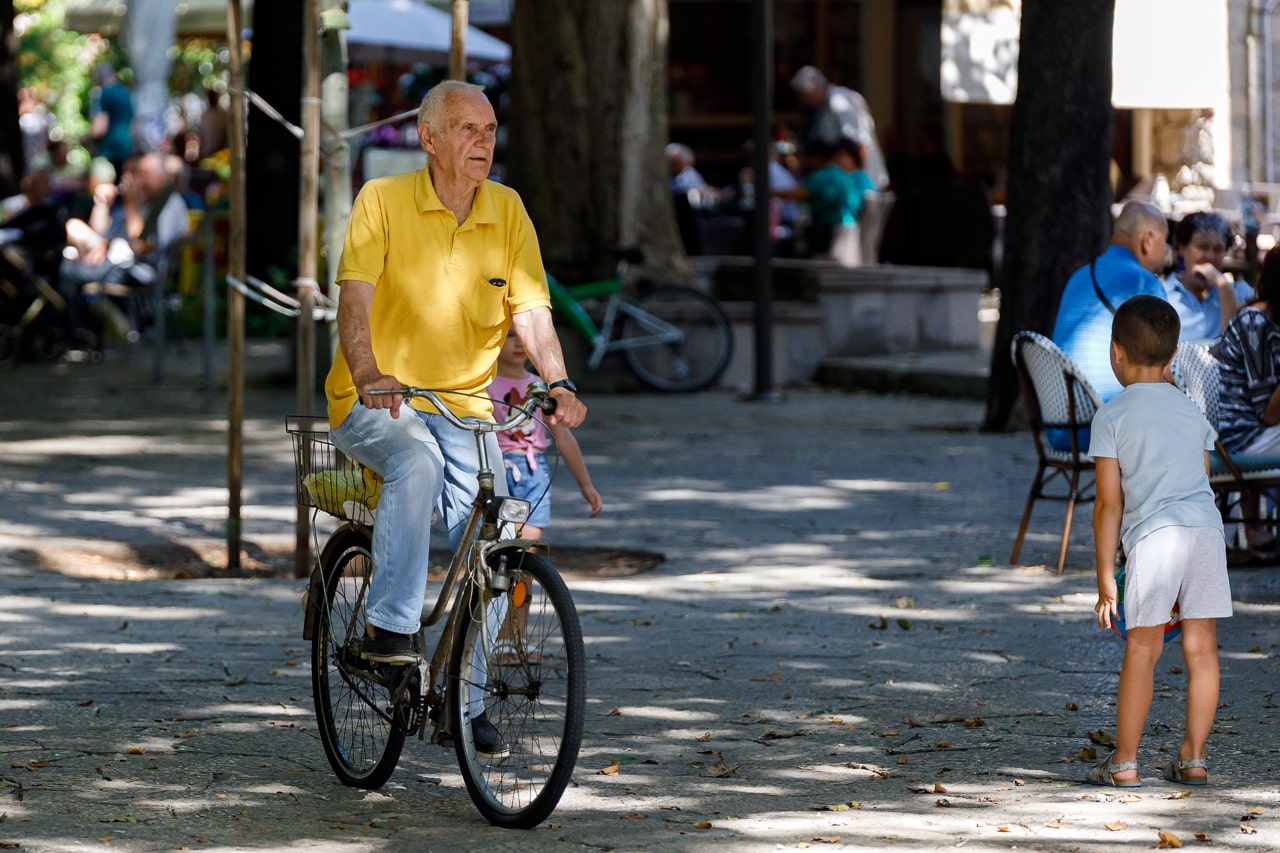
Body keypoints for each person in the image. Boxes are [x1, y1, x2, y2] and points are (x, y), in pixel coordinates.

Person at [324, 81, 586, 696]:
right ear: (429, 138)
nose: (483, 141)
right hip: (379, 398)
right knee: (414, 459)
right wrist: (367, 373)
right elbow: (354, 300)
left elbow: (532, 312)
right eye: (468, 128)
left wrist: (560, 381)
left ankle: (464, 703)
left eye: (490, 130)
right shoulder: (381, 200)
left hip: (466, 406)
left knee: (504, 535)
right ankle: (388, 629)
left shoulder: (508, 209)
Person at [1087, 294, 1231, 787]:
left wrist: (1107, 575)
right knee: (1201, 648)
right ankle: (1193, 758)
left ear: (1116, 351)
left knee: (1143, 650)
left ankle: (1125, 762)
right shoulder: (1192, 413)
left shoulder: (1111, 416)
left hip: (1154, 538)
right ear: (1173, 357)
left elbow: (1108, 504)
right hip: (1206, 534)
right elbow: (1204, 479)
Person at [1051, 200, 1169, 409]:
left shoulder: (1078, 277)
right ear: (1147, 241)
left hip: (1062, 422)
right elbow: (1167, 364)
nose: (1167, 250)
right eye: (1165, 240)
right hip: (1112, 424)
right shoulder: (1145, 283)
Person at [489, 328, 602, 542]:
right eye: (510, 335)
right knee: (492, 538)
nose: (520, 342)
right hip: (494, 467)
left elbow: (565, 439)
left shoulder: (541, 388)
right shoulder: (484, 386)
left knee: (528, 538)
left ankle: (523, 576)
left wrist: (586, 485)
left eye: (525, 335)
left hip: (533, 469)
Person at [1216, 249, 1280, 550]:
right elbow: (1268, 414)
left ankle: (1256, 531)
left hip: (1258, 431)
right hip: (1244, 437)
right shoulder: (1256, 323)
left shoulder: (1270, 321)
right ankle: (1255, 531)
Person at [777, 138, 875, 265]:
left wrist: (768, 192)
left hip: (833, 235)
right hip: (853, 233)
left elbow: (799, 194)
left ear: (815, 158)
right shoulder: (844, 175)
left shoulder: (824, 176)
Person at [790, 65, 889, 190]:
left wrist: (862, 183)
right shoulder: (821, 110)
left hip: (863, 182)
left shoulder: (840, 101)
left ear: (815, 90)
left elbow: (858, 143)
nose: (803, 101)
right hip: (847, 184)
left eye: (804, 96)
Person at [1163, 211, 1251, 342]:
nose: (1210, 256)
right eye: (1202, 247)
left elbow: (1243, 344)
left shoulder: (1241, 293)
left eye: (1218, 249)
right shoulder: (1163, 295)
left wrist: (1223, 286)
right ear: (1182, 248)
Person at [91, 65, 135, 177]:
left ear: (100, 78)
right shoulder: (126, 93)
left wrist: (86, 138)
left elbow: (99, 129)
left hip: (109, 152)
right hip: (127, 149)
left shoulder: (104, 93)